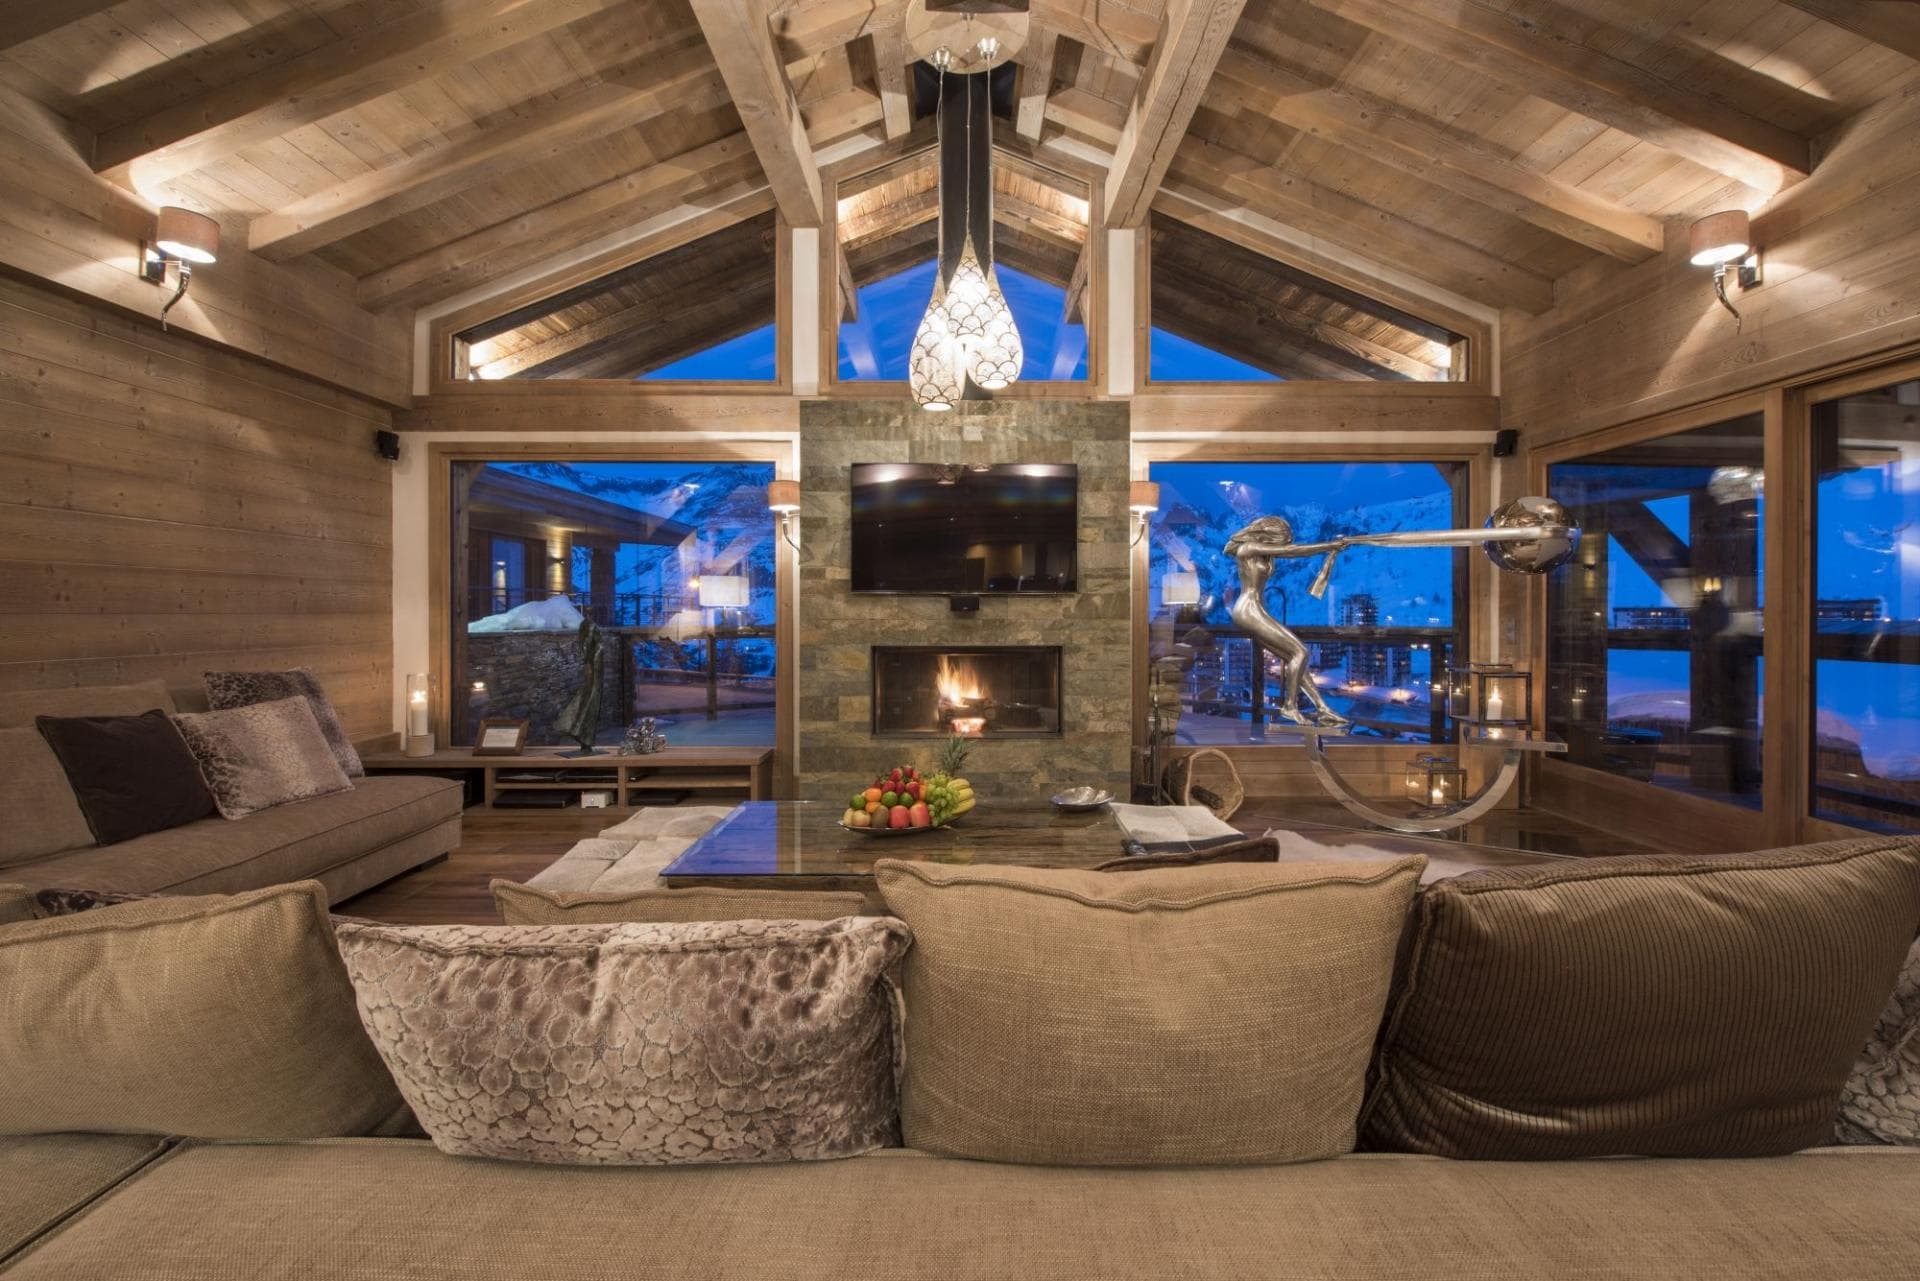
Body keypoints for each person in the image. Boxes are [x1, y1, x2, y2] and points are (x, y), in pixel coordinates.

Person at [1223, 516, 1353, 727]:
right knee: (1300, 652)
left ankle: (1322, 708)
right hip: (1248, 609)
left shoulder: (1263, 552)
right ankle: (1289, 707)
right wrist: (1329, 545)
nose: (1283, 545)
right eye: (1281, 540)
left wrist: (1333, 546)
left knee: (1294, 658)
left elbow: (1288, 550)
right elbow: (1292, 552)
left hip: (1256, 609)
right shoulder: (1248, 548)